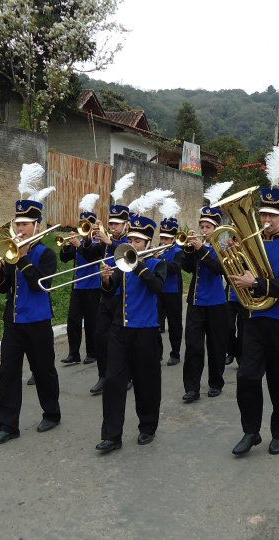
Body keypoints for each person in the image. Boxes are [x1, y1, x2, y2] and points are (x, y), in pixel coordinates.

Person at [227, 185, 279, 457]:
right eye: (263, 215)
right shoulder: (248, 243)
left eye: (272, 215)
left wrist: (257, 283)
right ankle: (251, 431)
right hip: (255, 319)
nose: (266, 220)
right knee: (247, 376)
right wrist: (232, 256)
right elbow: (237, 274)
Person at [0, 180, 61, 446]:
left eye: (25, 224)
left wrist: (24, 257)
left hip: (38, 321)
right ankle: (8, 426)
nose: (19, 229)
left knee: (43, 370)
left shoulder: (46, 254)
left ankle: (51, 413)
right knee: (7, 373)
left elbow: (40, 283)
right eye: (17, 224)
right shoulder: (11, 252)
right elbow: (3, 288)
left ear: (37, 226)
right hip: (14, 321)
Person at [95, 215, 168, 453]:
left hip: (146, 331)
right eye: (131, 240)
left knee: (146, 383)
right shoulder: (122, 264)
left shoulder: (157, 264)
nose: (133, 244)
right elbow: (109, 293)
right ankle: (111, 436)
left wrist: (139, 266)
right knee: (113, 382)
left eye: (138, 241)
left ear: (148, 243)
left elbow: (157, 287)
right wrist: (107, 280)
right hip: (120, 329)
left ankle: (147, 427)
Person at [82, 174, 134, 395]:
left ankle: (127, 375)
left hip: (124, 294)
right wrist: (86, 238)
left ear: (126, 225)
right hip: (106, 293)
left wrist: (110, 241)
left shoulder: (131, 241)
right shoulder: (106, 240)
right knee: (100, 336)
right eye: (110, 223)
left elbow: (126, 256)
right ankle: (103, 376)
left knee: (122, 339)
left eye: (116, 224)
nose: (112, 227)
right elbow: (89, 254)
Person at [181, 199, 230, 401]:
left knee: (216, 346)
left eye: (208, 227)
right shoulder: (196, 246)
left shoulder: (224, 247)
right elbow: (187, 269)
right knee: (193, 346)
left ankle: (216, 383)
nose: (204, 230)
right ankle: (192, 388)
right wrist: (188, 250)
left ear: (216, 228)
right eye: (202, 226)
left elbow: (219, 269)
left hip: (217, 303)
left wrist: (201, 249)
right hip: (196, 302)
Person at [58, 194, 102, 367]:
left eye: (87, 225)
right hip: (77, 285)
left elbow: (92, 256)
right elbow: (64, 259)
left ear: (92, 226)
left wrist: (79, 245)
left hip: (93, 286)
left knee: (91, 322)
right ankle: (73, 353)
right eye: (82, 224)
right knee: (73, 321)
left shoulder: (98, 241)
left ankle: (92, 352)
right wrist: (67, 246)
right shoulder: (78, 241)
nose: (83, 227)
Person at [157, 216, 184, 365]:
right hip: (158, 290)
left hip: (173, 292)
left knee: (174, 324)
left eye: (166, 239)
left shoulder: (178, 251)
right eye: (162, 238)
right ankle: (157, 353)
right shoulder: (156, 249)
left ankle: (175, 353)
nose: (163, 241)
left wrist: (161, 259)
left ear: (173, 239)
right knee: (155, 324)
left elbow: (175, 269)